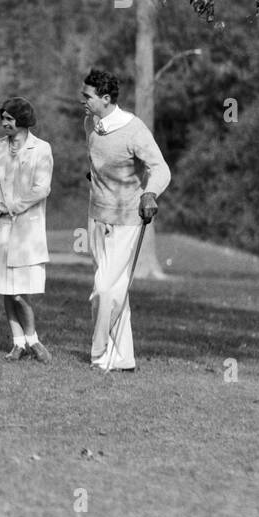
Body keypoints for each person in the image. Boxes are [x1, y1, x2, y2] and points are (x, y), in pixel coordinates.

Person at [81, 68, 169, 372]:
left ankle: (99, 354)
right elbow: (96, 161)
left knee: (105, 289)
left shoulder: (134, 129)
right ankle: (124, 359)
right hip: (96, 217)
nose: (83, 101)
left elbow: (160, 169)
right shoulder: (90, 124)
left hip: (128, 219)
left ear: (106, 99)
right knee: (115, 287)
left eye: (88, 96)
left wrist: (150, 194)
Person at [0, 95, 54, 362]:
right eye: (3, 117)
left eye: (9, 118)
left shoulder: (41, 149)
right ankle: (18, 343)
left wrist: (11, 206)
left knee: (19, 292)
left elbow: (42, 189)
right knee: (4, 290)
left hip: (24, 229)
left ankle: (33, 339)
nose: (4, 122)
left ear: (22, 120)